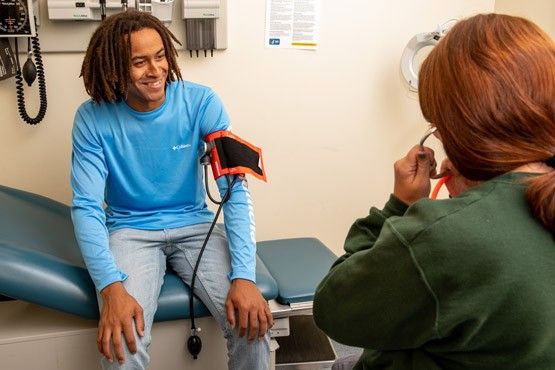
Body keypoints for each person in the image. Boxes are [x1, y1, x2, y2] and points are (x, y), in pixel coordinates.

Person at [313, 13, 555, 370]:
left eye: (438, 127)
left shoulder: (442, 238)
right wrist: (477, 188)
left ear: (462, 126)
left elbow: (333, 308)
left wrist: (400, 204)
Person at [70, 10, 272, 370]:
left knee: (251, 324)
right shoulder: (92, 118)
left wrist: (244, 276)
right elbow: (86, 206)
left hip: (195, 226)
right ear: (115, 68)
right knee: (122, 341)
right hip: (129, 232)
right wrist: (111, 288)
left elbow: (234, 192)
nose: (155, 70)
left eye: (161, 56)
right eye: (139, 62)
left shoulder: (202, 104)